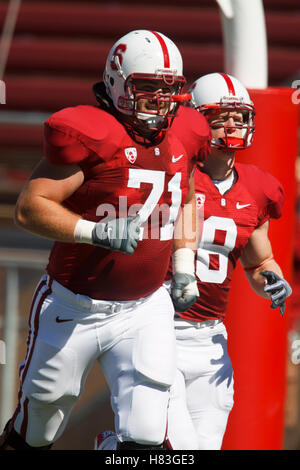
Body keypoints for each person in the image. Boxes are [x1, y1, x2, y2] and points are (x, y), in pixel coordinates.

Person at [0, 30, 211, 450]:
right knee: (41, 421)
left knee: (147, 433)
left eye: (169, 91)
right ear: (116, 82)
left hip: (145, 305)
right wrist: (93, 231)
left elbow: (188, 198)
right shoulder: (96, 135)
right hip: (74, 303)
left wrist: (184, 266)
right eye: (147, 88)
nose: (159, 101)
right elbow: (30, 206)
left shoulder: (187, 132)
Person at [94, 72, 292, 450]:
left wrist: (272, 278)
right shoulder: (169, 173)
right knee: (179, 450)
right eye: (220, 116)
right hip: (159, 327)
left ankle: (114, 450)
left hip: (211, 338)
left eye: (240, 116)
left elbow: (257, 261)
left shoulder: (259, 187)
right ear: (198, 120)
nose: (232, 125)